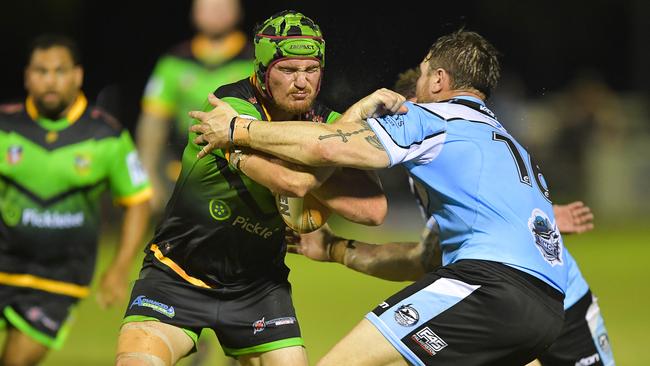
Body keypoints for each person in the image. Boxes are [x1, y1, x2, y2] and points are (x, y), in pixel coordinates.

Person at [189, 29, 580, 365]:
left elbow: (329, 147)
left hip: (489, 288)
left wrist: (239, 129)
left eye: (423, 74)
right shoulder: (504, 144)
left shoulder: (437, 118)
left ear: (439, 79)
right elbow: (426, 260)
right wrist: (337, 249)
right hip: (547, 311)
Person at [117, 10, 387, 366]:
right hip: (177, 272)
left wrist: (342, 128)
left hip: (258, 288)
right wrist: (338, 142)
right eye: (288, 70)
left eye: (311, 70)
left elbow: (373, 210)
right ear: (262, 69)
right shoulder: (229, 108)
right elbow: (294, 182)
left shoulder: (324, 122)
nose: (302, 82)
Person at [289, 201, 615, 366]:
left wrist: (533, 212)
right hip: (503, 305)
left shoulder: (459, 143)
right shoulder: (433, 181)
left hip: (565, 305)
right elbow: (422, 261)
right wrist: (336, 249)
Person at [0, 34, 152, 365]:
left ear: (77, 76)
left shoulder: (106, 136)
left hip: (60, 278)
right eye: (41, 71)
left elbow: (138, 201)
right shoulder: (5, 126)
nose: (50, 81)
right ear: (28, 76)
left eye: (59, 71)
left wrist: (119, 266)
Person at [136, 0, 254, 213]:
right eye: (207, 6)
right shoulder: (174, 62)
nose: (215, 13)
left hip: (244, 165)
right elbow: (153, 122)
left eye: (222, 6)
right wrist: (148, 173)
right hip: (186, 165)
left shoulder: (254, 60)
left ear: (238, 11)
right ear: (194, 12)